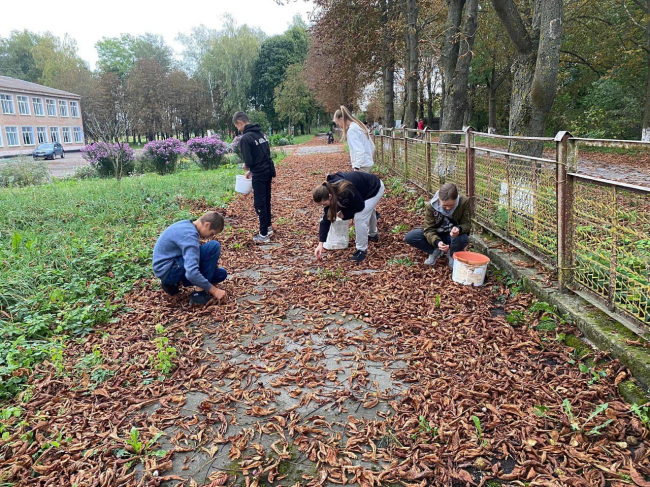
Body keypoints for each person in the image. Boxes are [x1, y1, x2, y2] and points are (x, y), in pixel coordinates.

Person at [153, 211, 228, 305]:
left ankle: (172, 285)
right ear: (207, 225)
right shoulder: (190, 235)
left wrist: (211, 265)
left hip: (168, 268)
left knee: (220, 274)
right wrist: (214, 291)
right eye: (212, 233)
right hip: (169, 270)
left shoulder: (187, 225)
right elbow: (191, 273)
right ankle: (198, 295)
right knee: (213, 246)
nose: (211, 236)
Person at [313, 171, 384, 263]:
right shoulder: (328, 191)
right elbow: (326, 220)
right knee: (368, 210)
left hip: (375, 187)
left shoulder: (344, 190)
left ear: (330, 196)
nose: (324, 207)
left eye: (324, 204)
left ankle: (361, 250)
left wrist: (345, 214)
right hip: (363, 190)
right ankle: (373, 235)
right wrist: (320, 244)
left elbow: (359, 206)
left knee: (360, 217)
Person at [233, 111, 276, 243]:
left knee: (259, 203)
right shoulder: (260, 134)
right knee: (266, 199)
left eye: (237, 127)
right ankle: (268, 227)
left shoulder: (246, 138)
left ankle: (263, 234)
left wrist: (246, 167)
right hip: (268, 170)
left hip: (259, 174)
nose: (238, 129)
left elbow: (249, 161)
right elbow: (263, 155)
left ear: (240, 123)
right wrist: (252, 170)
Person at [404, 183, 471, 268]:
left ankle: (452, 255)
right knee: (411, 237)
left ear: (456, 198)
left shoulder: (463, 202)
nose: (448, 208)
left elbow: (467, 224)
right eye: (445, 206)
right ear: (439, 199)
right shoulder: (431, 206)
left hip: (452, 236)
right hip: (437, 234)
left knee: (463, 237)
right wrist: (437, 242)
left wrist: (459, 229)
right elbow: (428, 229)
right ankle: (435, 251)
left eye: (451, 205)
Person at [333, 106, 375, 173]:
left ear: (341, 119)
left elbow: (360, 151)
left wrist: (356, 167)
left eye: (338, 123)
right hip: (367, 164)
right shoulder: (359, 126)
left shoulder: (352, 131)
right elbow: (372, 146)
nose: (339, 126)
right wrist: (368, 158)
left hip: (362, 167)